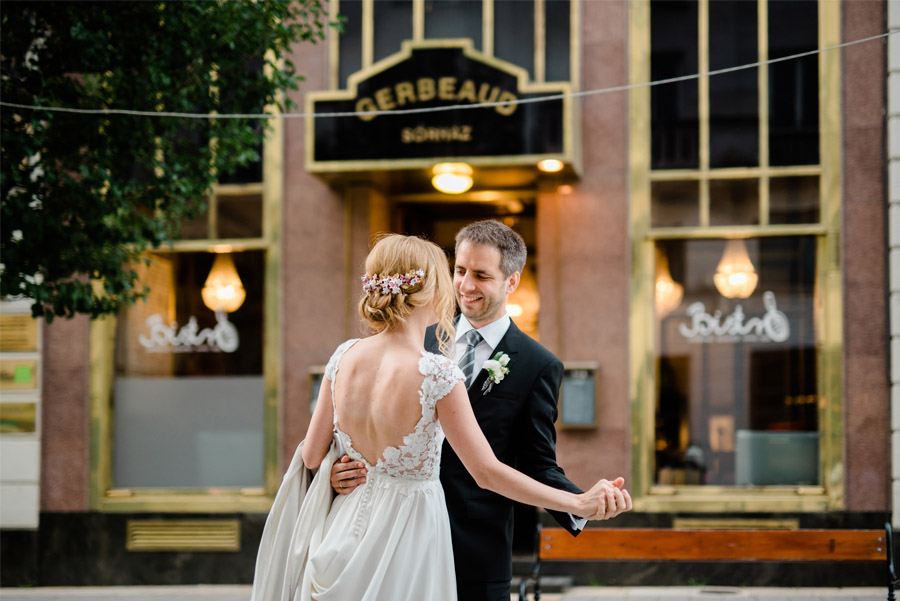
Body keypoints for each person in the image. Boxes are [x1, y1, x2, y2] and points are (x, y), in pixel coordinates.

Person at [251, 233, 629, 601]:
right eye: (458, 271)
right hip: (412, 538)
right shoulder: (433, 365)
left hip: (450, 546)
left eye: (480, 275)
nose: (463, 284)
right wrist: (338, 473)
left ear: (511, 281)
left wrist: (577, 503)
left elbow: (310, 455)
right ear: (431, 287)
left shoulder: (345, 354)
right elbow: (486, 469)